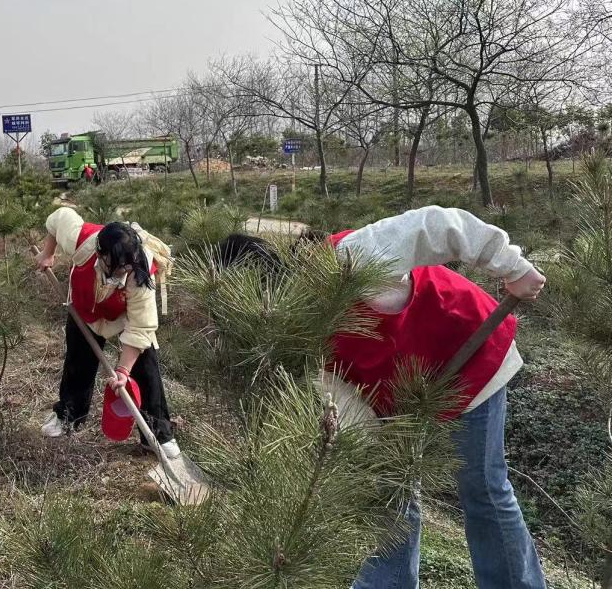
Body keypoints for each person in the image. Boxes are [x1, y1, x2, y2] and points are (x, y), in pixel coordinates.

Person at [219, 206, 548, 589]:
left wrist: (511, 266)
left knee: (482, 487)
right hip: (403, 385)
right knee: (388, 495)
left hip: (470, 350)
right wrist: (375, 460)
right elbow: (343, 398)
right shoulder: (295, 342)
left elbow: (435, 225)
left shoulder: (347, 260)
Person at [34, 206, 179, 459]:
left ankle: (157, 434)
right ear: (100, 254)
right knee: (78, 363)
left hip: (124, 315)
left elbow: (141, 326)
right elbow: (59, 217)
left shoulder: (140, 273)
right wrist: (48, 254)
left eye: (126, 267)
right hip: (85, 310)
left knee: (145, 368)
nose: (123, 272)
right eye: (118, 267)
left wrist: (123, 371)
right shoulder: (81, 240)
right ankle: (68, 417)